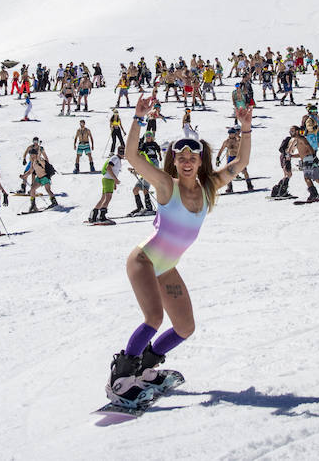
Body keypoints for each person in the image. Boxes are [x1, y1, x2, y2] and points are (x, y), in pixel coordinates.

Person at [105, 95, 252, 409]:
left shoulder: (208, 187)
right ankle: (121, 377)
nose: (187, 162)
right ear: (175, 161)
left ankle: (145, 369)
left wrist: (246, 129)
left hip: (167, 267)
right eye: (181, 157)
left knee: (185, 327)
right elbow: (132, 155)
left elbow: (239, 164)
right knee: (153, 318)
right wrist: (138, 117)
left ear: (200, 162)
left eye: (192, 158)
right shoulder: (165, 185)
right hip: (144, 260)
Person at [89, 146, 124, 223]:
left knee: (103, 198)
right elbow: (108, 168)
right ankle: (102, 216)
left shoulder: (116, 158)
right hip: (108, 179)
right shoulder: (115, 158)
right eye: (122, 153)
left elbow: (114, 171)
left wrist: (114, 182)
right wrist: (115, 179)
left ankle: (94, 215)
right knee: (108, 198)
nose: (123, 155)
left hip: (108, 180)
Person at [216, 128, 254, 193]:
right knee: (228, 173)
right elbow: (221, 150)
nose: (231, 134)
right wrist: (218, 158)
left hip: (238, 157)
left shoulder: (238, 140)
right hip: (231, 158)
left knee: (244, 171)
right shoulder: (226, 142)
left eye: (232, 133)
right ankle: (229, 187)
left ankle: (249, 185)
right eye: (230, 133)